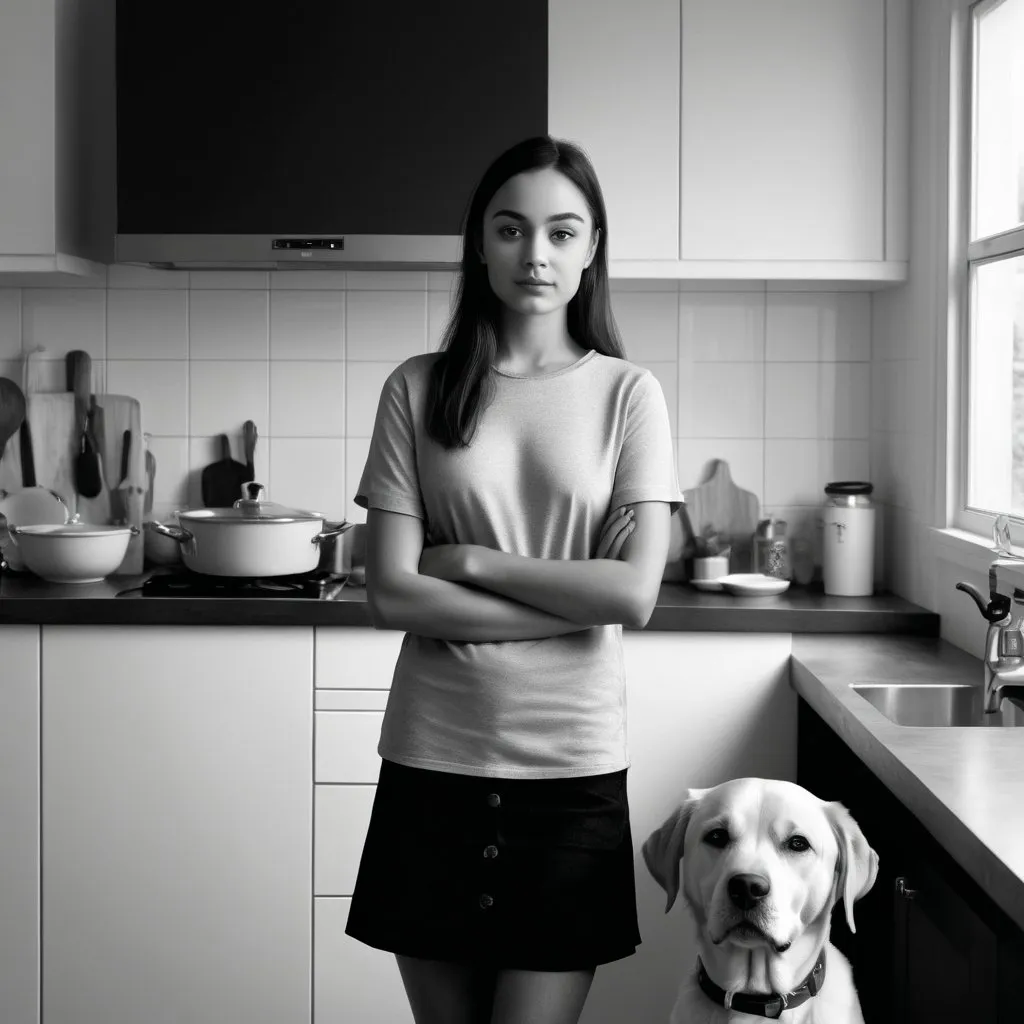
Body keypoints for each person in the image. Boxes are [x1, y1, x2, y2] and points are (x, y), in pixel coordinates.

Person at [345, 135, 683, 1024]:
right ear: (480, 244)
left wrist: (470, 563)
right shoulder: (416, 390)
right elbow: (390, 593)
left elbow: (633, 595)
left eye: (562, 232)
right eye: (511, 229)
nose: (535, 254)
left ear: (592, 248)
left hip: (570, 774)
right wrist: (570, 596)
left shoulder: (629, 395)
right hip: (433, 763)